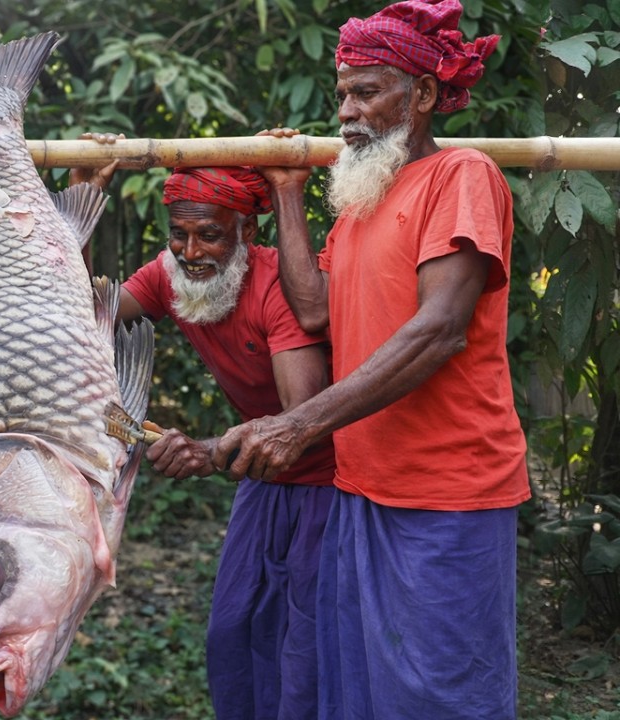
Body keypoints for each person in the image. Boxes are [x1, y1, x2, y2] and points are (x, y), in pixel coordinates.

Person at [215, 0, 529, 717]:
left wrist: (299, 424)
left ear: (421, 95)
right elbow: (318, 309)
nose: (347, 111)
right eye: (342, 94)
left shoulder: (461, 175)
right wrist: (289, 197)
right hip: (363, 488)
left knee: (442, 696)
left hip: (448, 492)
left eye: (368, 91)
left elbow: (440, 327)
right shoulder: (362, 200)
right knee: (362, 691)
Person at [75, 153, 338, 718]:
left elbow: (302, 418)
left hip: (329, 485)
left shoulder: (276, 287)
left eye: (210, 236)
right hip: (261, 482)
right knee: (234, 636)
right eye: (180, 235)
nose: (191, 253)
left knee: (308, 647)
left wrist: (210, 451)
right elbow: (82, 322)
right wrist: (83, 208)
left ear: (248, 231)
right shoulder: (167, 277)